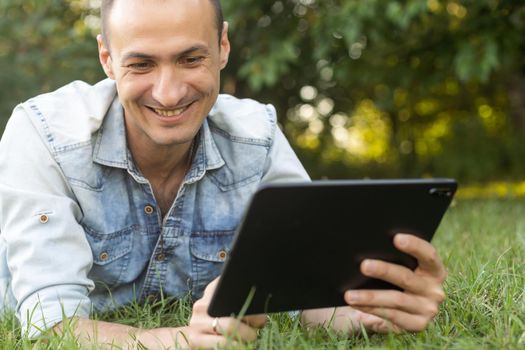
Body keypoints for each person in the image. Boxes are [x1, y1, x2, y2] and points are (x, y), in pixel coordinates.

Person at [0, 0, 447, 348]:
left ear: (223, 47)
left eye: (191, 59)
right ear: (107, 58)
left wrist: (369, 310)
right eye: (141, 64)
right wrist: (180, 341)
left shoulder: (259, 137)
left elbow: (302, 294)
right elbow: (50, 329)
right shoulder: (44, 136)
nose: (169, 92)